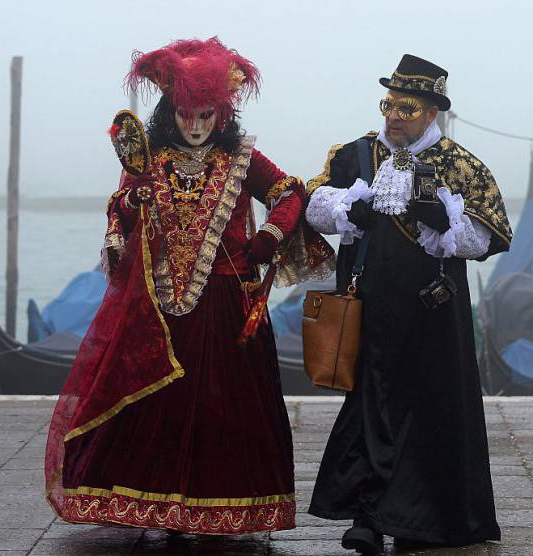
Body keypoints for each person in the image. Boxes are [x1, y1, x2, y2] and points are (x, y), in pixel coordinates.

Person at [44, 37, 334, 536]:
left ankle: (221, 511)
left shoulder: (244, 157)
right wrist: (131, 209)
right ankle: (155, 506)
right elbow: (120, 210)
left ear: (221, 115)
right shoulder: (147, 156)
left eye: (206, 116)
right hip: (157, 308)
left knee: (226, 412)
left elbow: (290, 193)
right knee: (156, 407)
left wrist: (268, 236)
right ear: (169, 111)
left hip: (227, 310)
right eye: (185, 114)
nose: (195, 126)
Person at [304, 54, 512, 553]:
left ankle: (426, 522)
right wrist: (343, 207)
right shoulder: (355, 156)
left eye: (408, 107)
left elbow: (487, 238)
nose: (395, 115)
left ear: (432, 112)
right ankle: (369, 518)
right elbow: (313, 206)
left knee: (433, 410)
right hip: (368, 305)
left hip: (433, 313)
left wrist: (443, 221)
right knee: (372, 404)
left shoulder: (462, 166)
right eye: (390, 104)